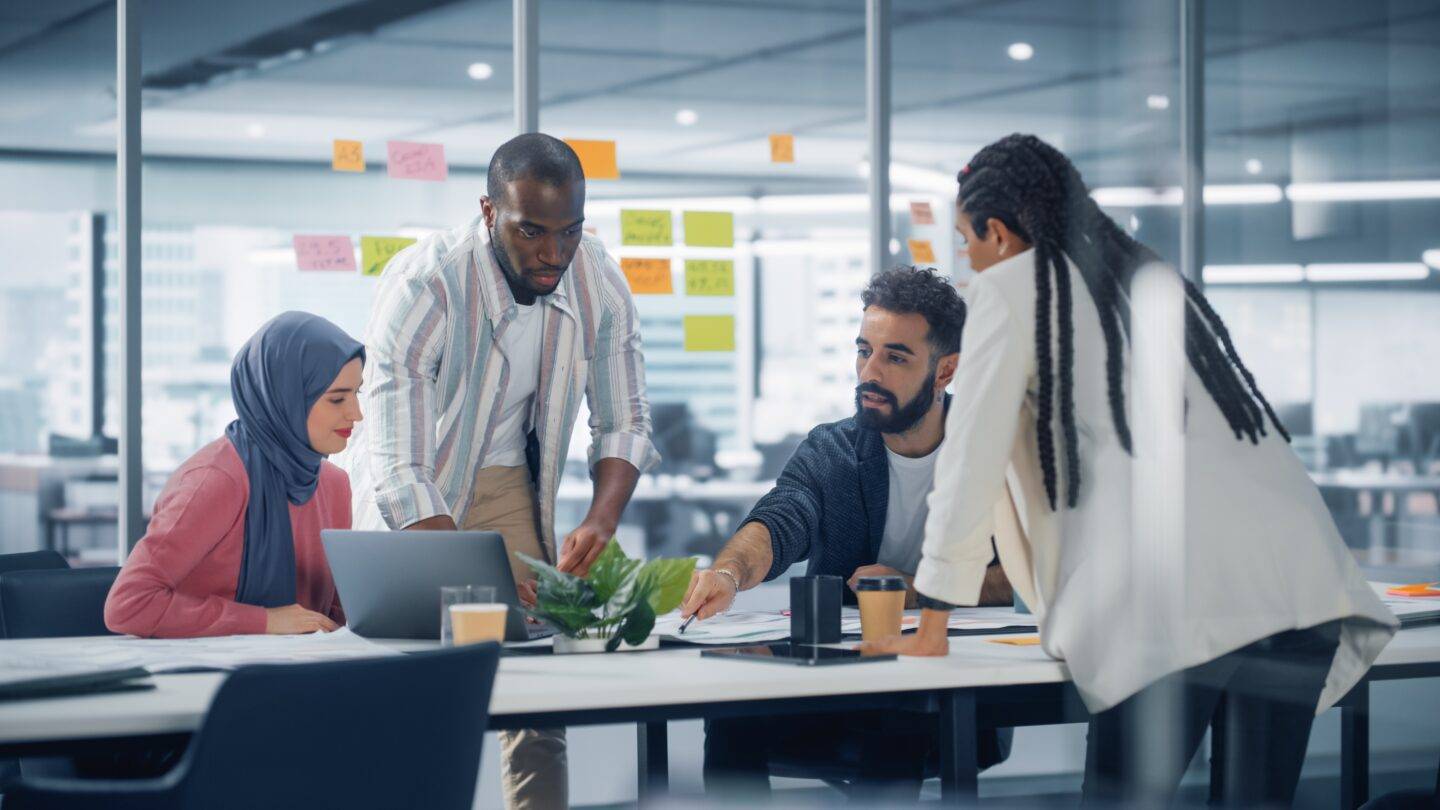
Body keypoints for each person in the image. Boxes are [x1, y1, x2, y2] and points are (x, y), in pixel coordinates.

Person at [863, 134, 1397, 805]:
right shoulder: (1141, 278)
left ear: (997, 233)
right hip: (1297, 580)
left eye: (967, 240)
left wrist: (933, 621)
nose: (966, 259)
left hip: (1171, 593)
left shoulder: (1009, 287)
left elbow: (969, 458)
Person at [343, 132, 658, 810]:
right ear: (490, 213)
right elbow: (399, 467)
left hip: (509, 483)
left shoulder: (594, 274)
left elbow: (625, 416)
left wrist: (601, 521)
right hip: (416, 492)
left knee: (535, 692)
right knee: (418, 681)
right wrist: (478, 581)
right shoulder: (424, 284)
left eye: (568, 231)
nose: (553, 253)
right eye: (532, 231)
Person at [681, 266, 1012, 801]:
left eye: (895, 356)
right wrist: (729, 571)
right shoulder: (833, 450)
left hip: (950, 682)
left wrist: (912, 587)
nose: (869, 372)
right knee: (731, 714)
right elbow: (781, 518)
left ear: (945, 370)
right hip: (838, 685)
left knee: (899, 719)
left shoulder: (992, 453)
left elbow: (1019, 577)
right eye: (864, 351)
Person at [105, 311, 364, 638]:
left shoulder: (334, 484)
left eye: (357, 393)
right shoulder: (217, 479)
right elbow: (129, 605)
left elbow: (332, 616)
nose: (356, 413)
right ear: (285, 397)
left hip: (301, 671)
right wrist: (265, 621)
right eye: (338, 398)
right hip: (204, 677)